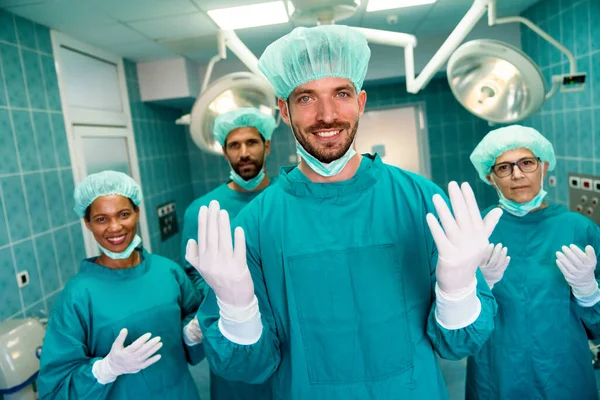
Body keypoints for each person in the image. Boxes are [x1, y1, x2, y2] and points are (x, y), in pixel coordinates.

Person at [184, 25, 504, 399]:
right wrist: (237, 309)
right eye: (306, 98)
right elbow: (250, 367)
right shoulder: (255, 225)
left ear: (361, 102)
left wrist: (458, 289)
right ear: (284, 111)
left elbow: (458, 345)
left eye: (341, 93)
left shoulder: (420, 201)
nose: (327, 114)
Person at [38, 171, 205, 400]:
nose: (115, 227)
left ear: (137, 212)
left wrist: (191, 334)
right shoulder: (77, 295)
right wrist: (105, 369)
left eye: (123, 214)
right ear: (87, 223)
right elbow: (54, 388)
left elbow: (196, 315)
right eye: (101, 219)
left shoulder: (167, 271)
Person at [466, 125, 600, 399]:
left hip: (564, 376)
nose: (517, 175)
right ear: (491, 177)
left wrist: (589, 293)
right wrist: (475, 288)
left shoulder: (579, 230)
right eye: (504, 168)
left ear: (544, 166)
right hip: (496, 375)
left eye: (526, 163)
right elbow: (452, 329)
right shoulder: (474, 230)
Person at [181, 107, 277, 399]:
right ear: (224, 151)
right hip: (231, 329)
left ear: (267, 145)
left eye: (252, 142)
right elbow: (194, 274)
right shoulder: (202, 210)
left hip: (286, 328)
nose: (244, 152)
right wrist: (224, 298)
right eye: (235, 145)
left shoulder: (287, 200)